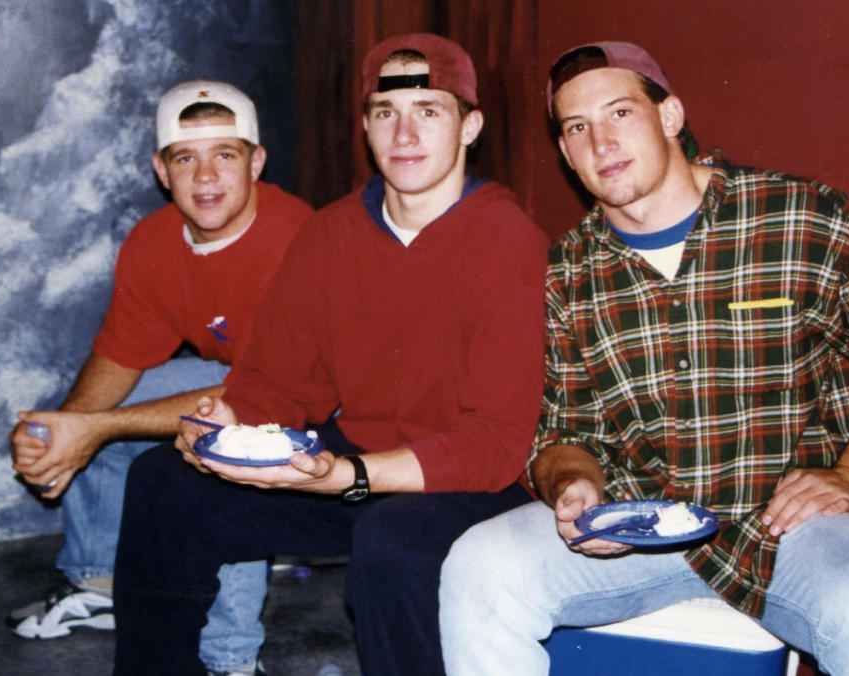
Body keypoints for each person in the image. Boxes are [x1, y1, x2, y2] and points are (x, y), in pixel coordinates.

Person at [439, 40, 849, 676]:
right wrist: (573, 488)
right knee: (478, 566)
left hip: (789, 529)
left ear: (669, 117)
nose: (601, 143)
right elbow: (564, 433)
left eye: (620, 114)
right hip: (635, 526)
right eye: (577, 128)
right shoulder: (568, 270)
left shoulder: (804, 218)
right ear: (564, 151)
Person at [111, 33, 549, 676]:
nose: (404, 134)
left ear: (469, 126)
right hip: (354, 463)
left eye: (429, 111)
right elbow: (284, 382)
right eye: (385, 114)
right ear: (366, 126)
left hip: (473, 483)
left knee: (390, 542)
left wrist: (353, 475)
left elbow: (496, 445)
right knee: (163, 485)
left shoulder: (509, 241)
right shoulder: (332, 232)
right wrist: (230, 418)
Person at [8, 80, 313, 675]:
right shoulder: (154, 241)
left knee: (225, 457)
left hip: (326, 402)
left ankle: (230, 662)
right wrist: (69, 431)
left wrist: (98, 428)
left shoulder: (293, 240)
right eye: (185, 158)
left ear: (257, 161)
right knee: (77, 417)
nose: (205, 177)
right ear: (160, 170)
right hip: (239, 377)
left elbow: (258, 397)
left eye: (225, 155)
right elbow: (121, 358)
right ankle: (100, 585)